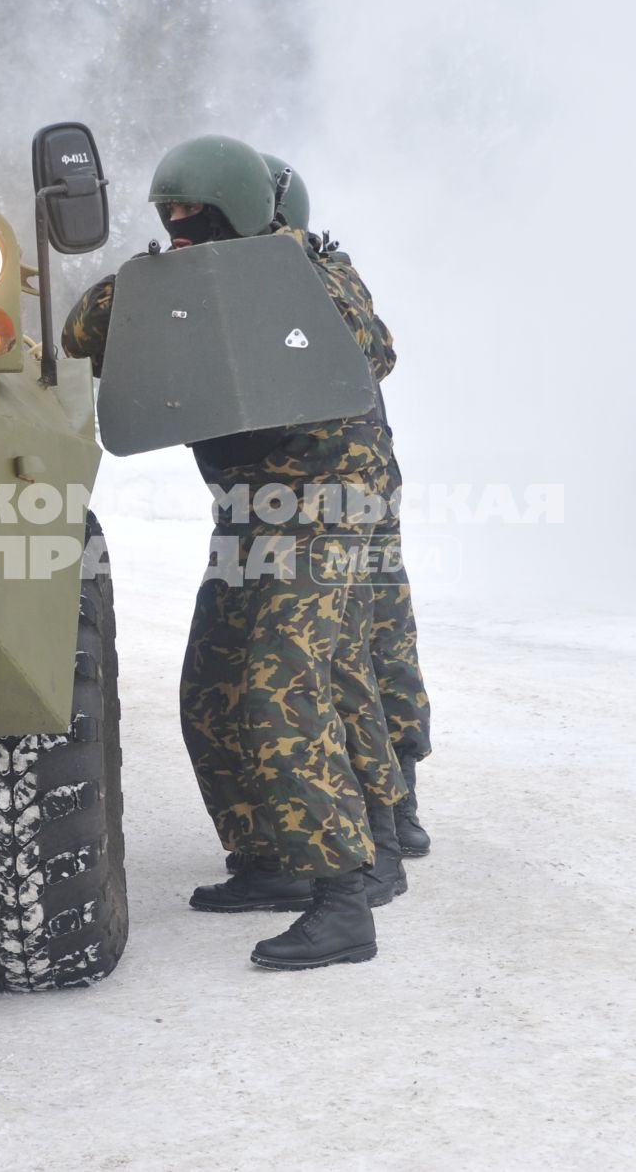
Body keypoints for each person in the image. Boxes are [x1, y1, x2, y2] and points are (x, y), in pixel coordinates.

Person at [62, 135, 406, 970]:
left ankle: (342, 894)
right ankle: (270, 857)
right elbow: (83, 331)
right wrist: (154, 283)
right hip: (249, 512)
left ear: (239, 210)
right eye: (170, 215)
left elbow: (376, 348)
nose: (180, 226)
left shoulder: (311, 272)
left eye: (195, 214)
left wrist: (268, 268)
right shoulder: (177, 283)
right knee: (210, 688)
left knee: (283, 684)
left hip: (326, 504)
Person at [259, 153, 435, 861]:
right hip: (340, 487)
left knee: (379, 638)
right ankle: (378, 806)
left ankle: (398, 800)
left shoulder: (320, 271)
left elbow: (378, 350)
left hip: (358, 490)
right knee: (362, 641)